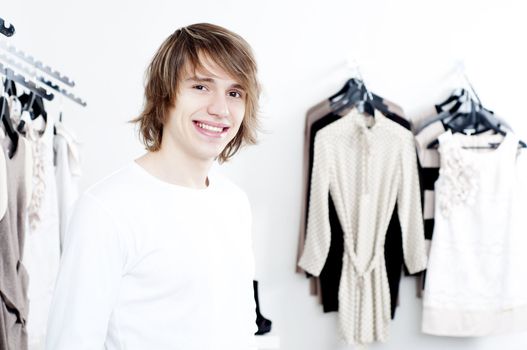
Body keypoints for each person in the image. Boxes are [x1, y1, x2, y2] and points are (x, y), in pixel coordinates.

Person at [46, 23, 261, 350]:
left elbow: (242, 326)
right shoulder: (106, 210)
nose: (220, 109)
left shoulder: (234, 202)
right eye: (201, 87)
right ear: (164, 95)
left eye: (234, 93)